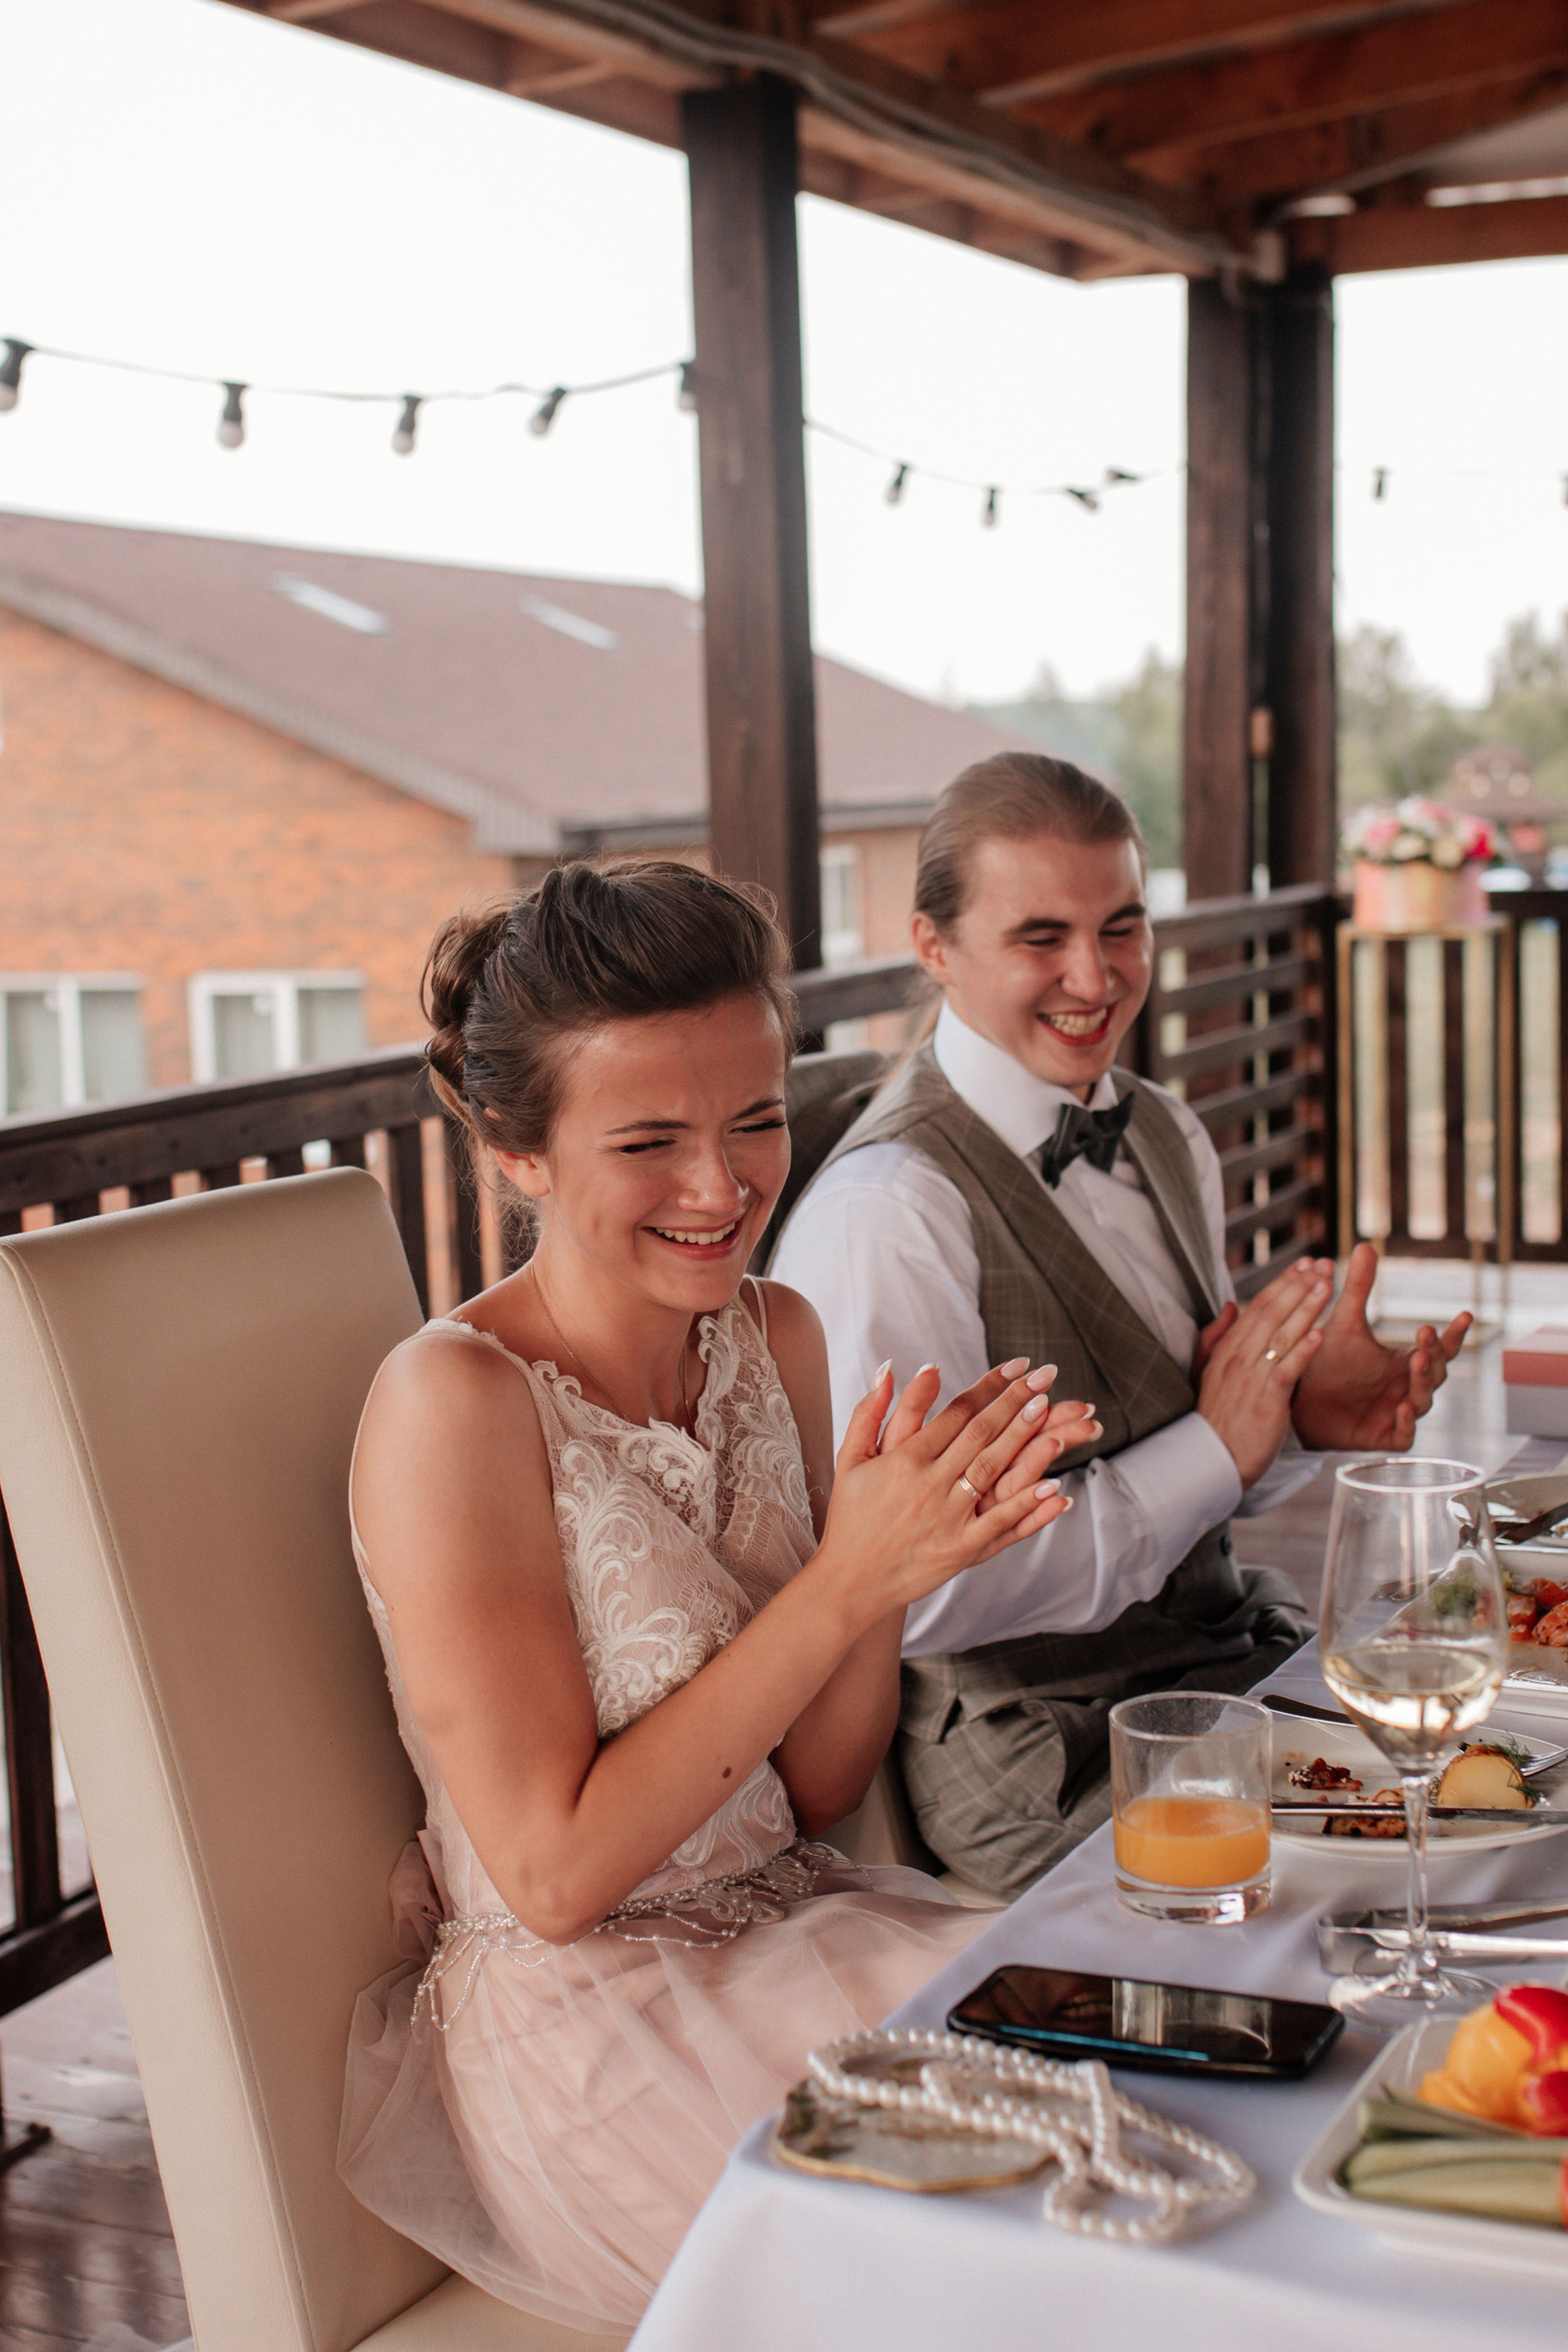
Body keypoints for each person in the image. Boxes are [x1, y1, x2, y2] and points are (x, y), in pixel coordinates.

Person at [337, 858, 1096, 2332]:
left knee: (1190, 2099)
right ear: (515, 1153)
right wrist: (844, 1579)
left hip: (798, 1937)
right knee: (1052, 2270)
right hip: (595, 2040)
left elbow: (813, 1792)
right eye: (649, 1143)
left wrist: (892, 1563)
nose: (723, 1187)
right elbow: (554, 1879)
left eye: (756, 1119)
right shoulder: (453, 1404)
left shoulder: (777, 1336)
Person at [773, 753, 1469, 1902]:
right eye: (1040, 937)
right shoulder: (889, 1212)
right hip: (1049, 1753)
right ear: (934, 946)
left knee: (1498, 1778)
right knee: (1429, 1875)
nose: (1095, 978)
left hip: (1227, 1668)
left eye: (1123, 928)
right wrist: (1218, 1447)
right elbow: (916, 1592)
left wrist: (1301, 1424)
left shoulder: (1164, 1133)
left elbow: (1203, 1468)